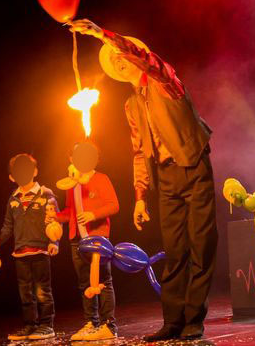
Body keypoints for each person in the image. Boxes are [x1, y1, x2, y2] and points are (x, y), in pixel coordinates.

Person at [69, 19, 217, 342]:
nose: (118, 61)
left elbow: (144, 58)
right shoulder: (132, 104)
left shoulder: (165, 80)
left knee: (201, 246)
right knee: (176, 250)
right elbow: (139, 151)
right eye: (112, 61)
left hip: (193, 166)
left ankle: (194, 320)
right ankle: (173, 321)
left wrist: (101, 35)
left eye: (120, 55)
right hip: (166, 176)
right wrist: (139, 196)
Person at [51, 141, 120, 341]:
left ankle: (109, 325)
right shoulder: (71, 185)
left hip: (98, 238)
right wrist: (54, 216)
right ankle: (92, 323)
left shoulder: (101, 178)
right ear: (70, 159)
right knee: (84, 284)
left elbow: (114, 205)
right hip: (77, 240)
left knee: (103, 281)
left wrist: (93, 214)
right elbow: (70, 212)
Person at [0, 154, 59, 341]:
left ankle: (46, 325)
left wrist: (54, 242)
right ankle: (30, 325)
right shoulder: (13, 199)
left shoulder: (46, 194)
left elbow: (55, 222)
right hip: (20, 253)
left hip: (41, 250)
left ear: (35, 171)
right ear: (12, 176)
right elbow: (7, 226)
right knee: (25, 292)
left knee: (42, 290)